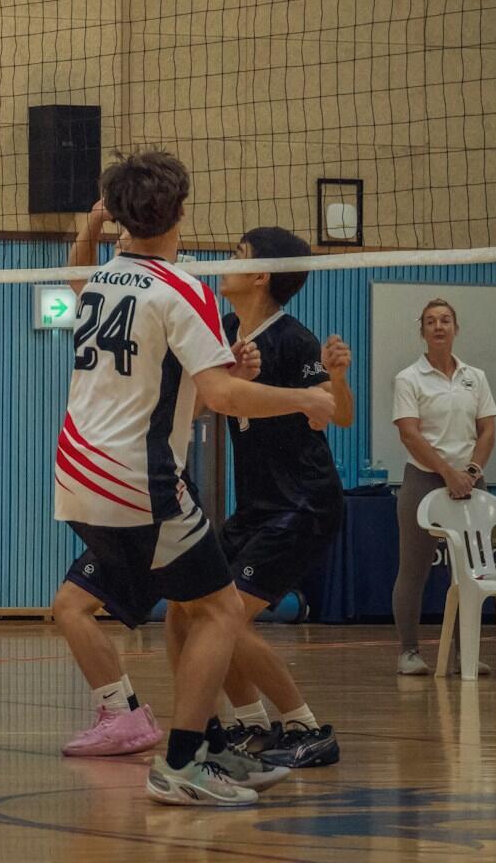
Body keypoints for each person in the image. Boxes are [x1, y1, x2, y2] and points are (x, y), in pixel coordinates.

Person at [50, 155, 335, 807]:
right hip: (135, 478)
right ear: (181, 212)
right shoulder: (184, 291)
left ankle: (203, 747)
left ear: (120, 215)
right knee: (222, 611)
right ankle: (183, 762)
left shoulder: (102, 281)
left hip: (76, 474)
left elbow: (188, 388)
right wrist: (302, 400)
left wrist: (93, 228)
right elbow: (223, 399)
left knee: (187, 605)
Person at [172, 226, 352, 770]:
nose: (224, 262)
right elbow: (206, 405)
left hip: (303, 502)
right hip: (257, 507)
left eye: (237, 255)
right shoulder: (226, 331)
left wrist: (338, 378)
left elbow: (336, 413)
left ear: (260, 274)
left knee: (221, 615)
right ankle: (250, 724)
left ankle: (303, 724)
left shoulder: (292, 339)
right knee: (184, 611)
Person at [391, 297, 496, 677]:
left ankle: (464, 653)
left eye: (446, 320)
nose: (439, 326)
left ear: (456, 328)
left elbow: (487, 429)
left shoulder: (476, 377)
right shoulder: (409, 378)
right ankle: (408, 651)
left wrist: (469, 470)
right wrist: (447, 473)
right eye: (431, 321)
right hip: (424, 479)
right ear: (422, 331)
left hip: (471, 481)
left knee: (471, 572)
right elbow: (410, 434)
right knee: (414, 569)